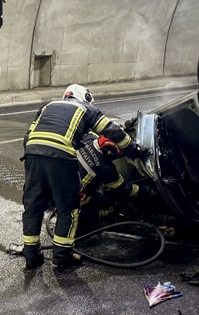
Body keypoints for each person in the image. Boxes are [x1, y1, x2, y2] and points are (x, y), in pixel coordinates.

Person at [21, 84, 146, 269]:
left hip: (32, 153)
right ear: (85, 97)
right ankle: (62, 257)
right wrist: (134, 149)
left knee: (33, 206)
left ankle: (31, 256)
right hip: (61, 156)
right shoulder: (87, 109)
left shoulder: (48, 106)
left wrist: (36, 158)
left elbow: (28, 136)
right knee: (68, 209)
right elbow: (112, 131)